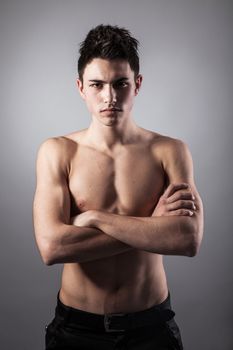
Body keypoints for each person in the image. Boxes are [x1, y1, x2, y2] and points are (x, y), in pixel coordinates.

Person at [33, 24, 204, 350]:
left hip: (151, 327)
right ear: (81, 87)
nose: (109, 97)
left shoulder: (169, 151)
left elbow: (187, 239)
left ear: (136, 85)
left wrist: (94, 218)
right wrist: (153, 227)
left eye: (120, 84)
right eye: (97, 85)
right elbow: (52, 247)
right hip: (76, 328)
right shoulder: (57, 151)